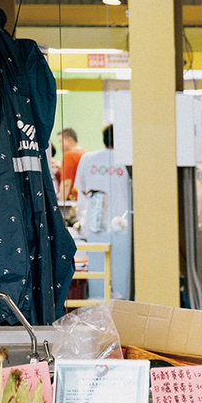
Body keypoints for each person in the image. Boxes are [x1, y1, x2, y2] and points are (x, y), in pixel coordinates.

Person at [74, 125, 132, 300]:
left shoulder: (88, 159)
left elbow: (82, 190)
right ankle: (122, 306)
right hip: (123, 225)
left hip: (95, 224)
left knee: (98, 269)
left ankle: (97, 307)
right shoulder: (128, 161)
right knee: (122, 270)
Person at [58, 127, 85, 201]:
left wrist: (60, 204)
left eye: (60, 141)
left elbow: (66, 183)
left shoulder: (69, 155)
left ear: (70, 140)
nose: (59, 145)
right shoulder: (85, 154)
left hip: (73, 201)